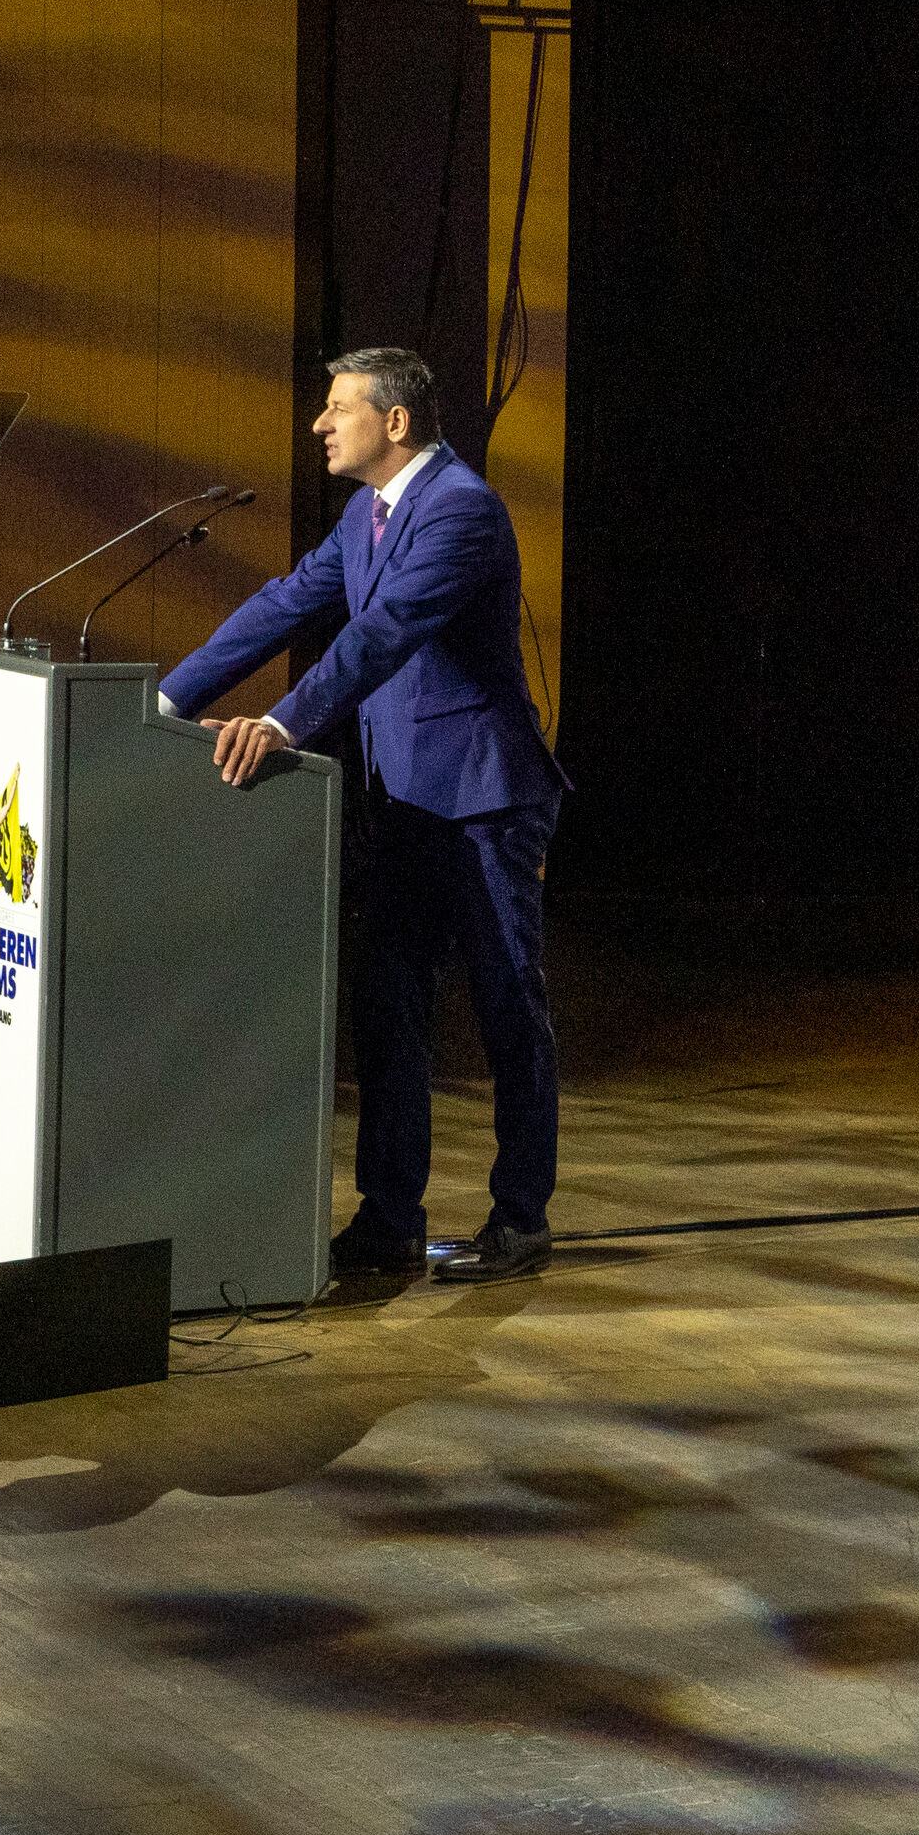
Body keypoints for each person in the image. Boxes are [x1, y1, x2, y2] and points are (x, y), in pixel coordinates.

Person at [162, 347, 567, 1287]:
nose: (320, 423)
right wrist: (166, 705)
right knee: (388, 1006)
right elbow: (286, 603)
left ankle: (521, 1217)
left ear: (394, 422)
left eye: (338, 407)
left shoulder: (461, 510)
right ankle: (389, 1221)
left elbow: (379, 638)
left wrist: (279, 723)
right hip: (406, 803)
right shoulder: (367, 512)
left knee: (508, 1009)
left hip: (483, 799)